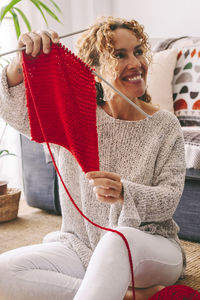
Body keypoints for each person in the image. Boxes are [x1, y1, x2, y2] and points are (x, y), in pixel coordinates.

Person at [0, 16, 186, 300]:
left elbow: (169, 199)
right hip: (80, 245)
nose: (135, 63)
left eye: (137, 51)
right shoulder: (74, 117)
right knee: (4, 272)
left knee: (116, 239)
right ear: (95, 70)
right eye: (120, 55)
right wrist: (18, 65)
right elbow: (14, 110)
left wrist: (125, 191)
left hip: (151, 248)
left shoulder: (165, 125)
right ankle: (126, 296)